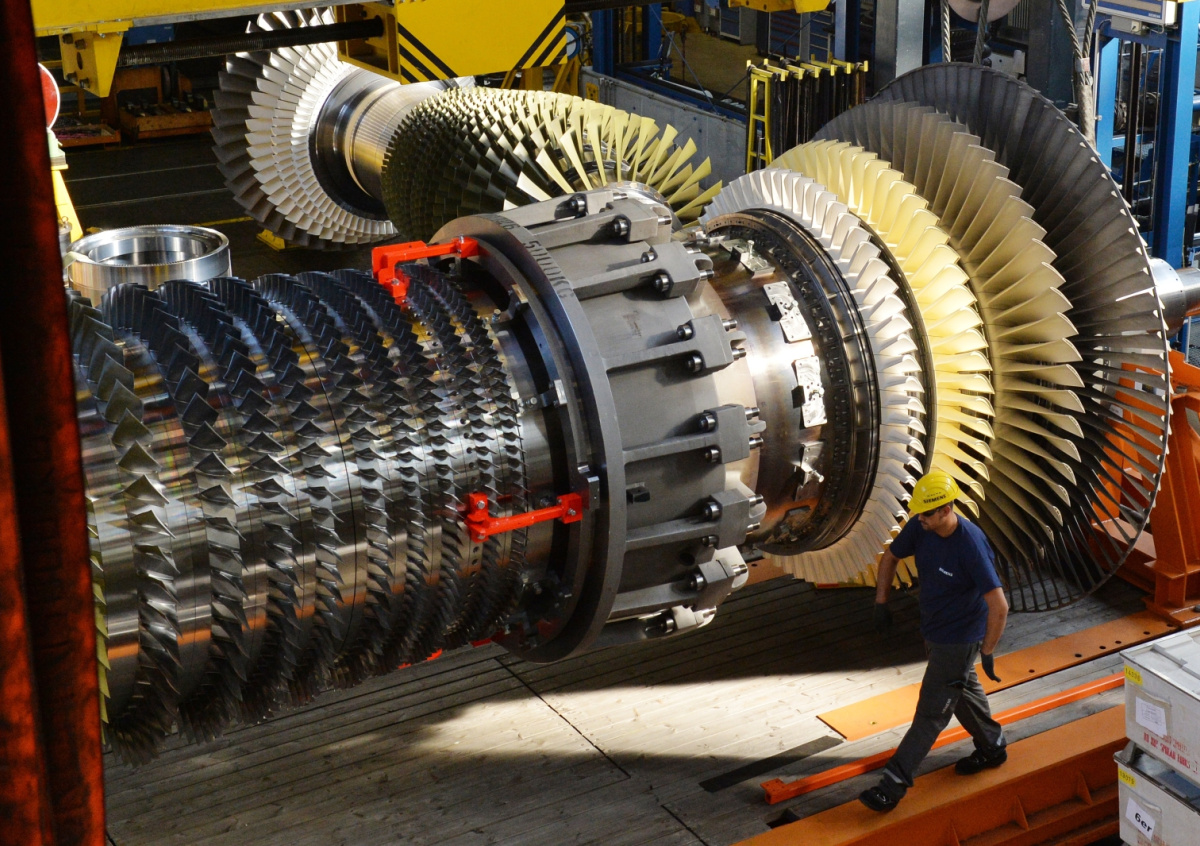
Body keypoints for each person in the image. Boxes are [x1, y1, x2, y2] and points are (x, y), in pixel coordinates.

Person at [859, 470, 1010, 812]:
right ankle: (993, 746)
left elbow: (999, 606)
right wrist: (881, 603)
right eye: (918, 512)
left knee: (931, 712)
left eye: (926, 513)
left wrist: (987, 650)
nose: (920, 519)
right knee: (960, 690)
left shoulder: (971, 546)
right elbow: (890, 557)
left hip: (959, 638)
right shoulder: (922, 526)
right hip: (934, 630)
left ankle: (892, 786)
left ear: (946, 510)